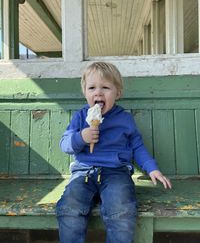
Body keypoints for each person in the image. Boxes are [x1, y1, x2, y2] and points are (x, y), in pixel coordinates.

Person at [56, 62, 172, 243]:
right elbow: (65, 145)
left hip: (116, 172)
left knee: (122, 211)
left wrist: (152, 169)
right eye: (92, 88)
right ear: (85, 93)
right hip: (84, 172)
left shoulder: (124, 119)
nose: (98, 93)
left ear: (117, 93)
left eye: (105, 87)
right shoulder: (80, 117)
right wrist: (81, 137)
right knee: (69, 207)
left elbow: (137, 147)